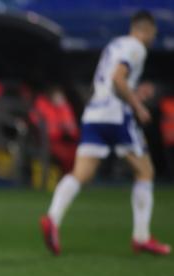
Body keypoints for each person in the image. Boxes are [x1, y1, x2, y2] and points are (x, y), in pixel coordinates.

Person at [40, 10, 170, 256]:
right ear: (148, 30)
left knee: (81, 174)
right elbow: (118, 78)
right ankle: (141, 237)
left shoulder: (115, 44)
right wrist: (137, 105)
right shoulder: (136, 47)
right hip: (116, 117)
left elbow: (107, 80)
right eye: (154, 33)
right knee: (145, 171)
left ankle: (52, 218)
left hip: (94, 114)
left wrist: (132, 92)